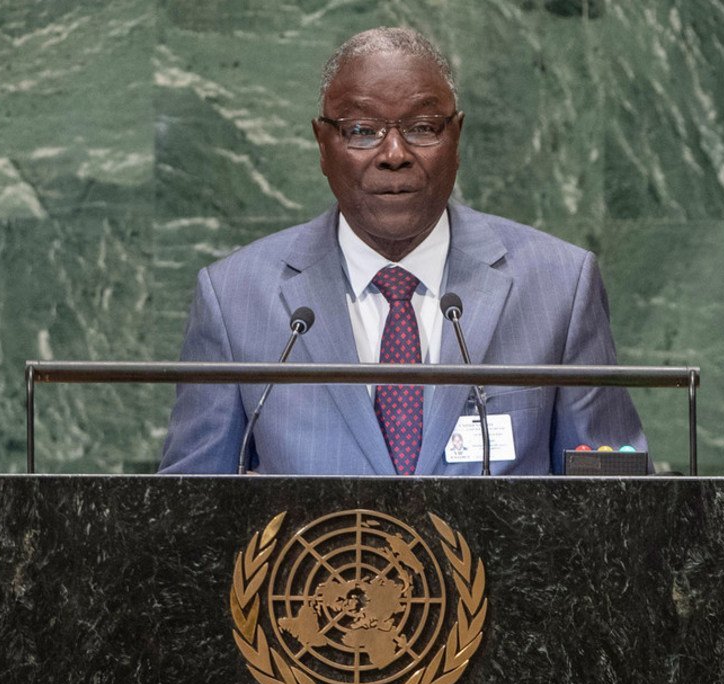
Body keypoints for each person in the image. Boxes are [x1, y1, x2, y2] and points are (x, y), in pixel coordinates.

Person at [159, 27, 647, 475]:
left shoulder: (559, 285)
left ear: (456, 137)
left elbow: (613, 513)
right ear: (322, 143)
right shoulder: (234, 297)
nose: (394, 154)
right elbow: (189, 518)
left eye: (422, 127)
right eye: (362, 131)